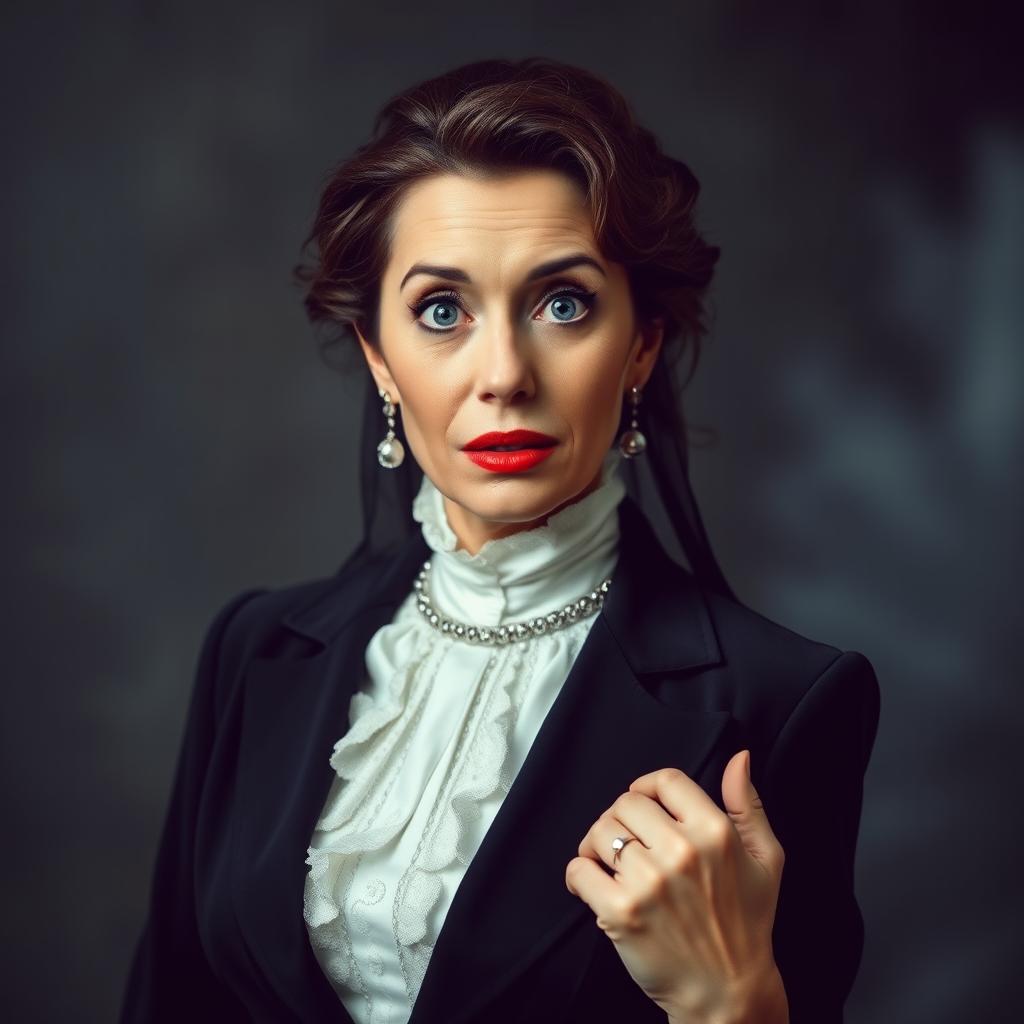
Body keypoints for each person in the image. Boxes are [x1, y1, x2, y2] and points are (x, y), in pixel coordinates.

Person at [120, 57, 881, 1024]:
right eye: (442, 312)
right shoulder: (256, 653)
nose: (505, 374)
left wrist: (734, 1001)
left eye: (563, 303)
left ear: (642, 342)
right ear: (377, 357)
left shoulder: (782, 705)